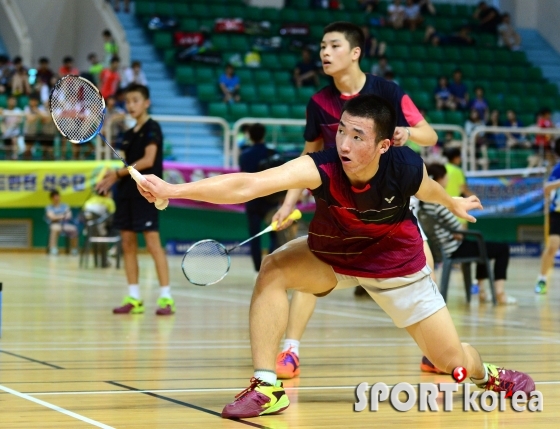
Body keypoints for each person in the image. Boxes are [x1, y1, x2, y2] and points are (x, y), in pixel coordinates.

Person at [136, 94, 535, 418]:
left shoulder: (404, 167)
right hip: (333, 254)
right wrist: (173, 191)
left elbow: (426, 188)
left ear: (383, 145)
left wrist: (453, 202)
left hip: (395, 265)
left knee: (450, 360)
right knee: (274, 268)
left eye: (358, 136)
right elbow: (249, 185)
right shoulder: (322, 167)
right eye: (342, 130)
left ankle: (490, 376)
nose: (344, 143)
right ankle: (266, 387)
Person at [269, 21, 439, 380]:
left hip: (387, 202)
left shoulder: (387, 92)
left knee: (425, 262)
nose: (324, 53)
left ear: (356, 52)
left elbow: (430, 134)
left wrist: (408, 132)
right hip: (338, 204)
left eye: (333, 46)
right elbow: (308, 153)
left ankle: (433, 351)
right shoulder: (319, 102)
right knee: (312, 272)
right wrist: (288, 203)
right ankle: (290, 349)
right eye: (321, 47)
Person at [96, 83, 174, 316]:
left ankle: (166, 298)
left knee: (152, 243)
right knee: (128, 244)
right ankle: (134, 297)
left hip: (147, 194)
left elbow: (149, 160)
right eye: (128, 101)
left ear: (146, 102)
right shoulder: (128, 135)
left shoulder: (153, 128)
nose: (131, 105)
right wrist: (114, 180)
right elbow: (128, 168)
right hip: (127, 194)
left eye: (135, 100)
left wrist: (117, 174)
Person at [422, 163, 516, 305]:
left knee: (483, 247)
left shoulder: (424, 203)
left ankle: (483, 292)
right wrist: (457, 232)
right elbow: (457, 229)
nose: (447, 180)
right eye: (446, 177)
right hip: (454, 248)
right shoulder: (439, 203)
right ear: (440, 179)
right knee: (501, 249)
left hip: (440, 247)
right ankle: (499, 293)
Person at [239, 123, 282, 272]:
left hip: (252, 200)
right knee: (274, 236)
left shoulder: (244, 154)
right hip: (270, 200)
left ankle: (258, 270)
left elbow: (243, 174)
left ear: (250, 136)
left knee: (254, 237)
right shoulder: (273, 152)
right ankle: (269, 267)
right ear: (264, 135)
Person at [535, 139, 560, 294]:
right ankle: (542, 280)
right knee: (552, 246)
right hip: (557, 213)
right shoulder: (558, 169)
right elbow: (546, 189)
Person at [45, 189, 78, 255]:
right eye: (54, 197)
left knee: (74, 229)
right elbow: (52, 217)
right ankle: (53, 249)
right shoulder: (49, 207)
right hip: (55, 224)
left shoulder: (65, 206)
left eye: (57, 196)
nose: (56, 198)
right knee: (54, 229)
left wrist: (57, 216)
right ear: (51, 198)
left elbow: (69, 216)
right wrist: (63, 216)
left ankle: (74, 249)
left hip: (65, 224)